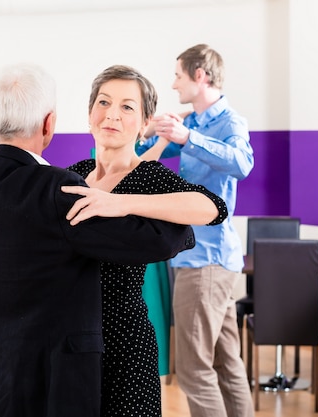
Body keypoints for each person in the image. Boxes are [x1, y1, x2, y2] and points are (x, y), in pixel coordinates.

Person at [0, 63, 194, 417]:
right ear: (49, 123)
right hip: (45, 374)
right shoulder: (58, 189)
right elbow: (153, 243)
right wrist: (178, 228)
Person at [61, 64, 228, 417]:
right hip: (69, 338)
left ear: (144, 121)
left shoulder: (147, 175)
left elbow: (213, 207)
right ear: (90, 113)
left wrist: (119, 202)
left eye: (127, 107)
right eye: (103, 102)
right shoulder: (73, 174)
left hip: (124, 339)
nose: (112, 115)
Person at [135, 44, 255, 417]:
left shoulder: (227, 123)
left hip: (206, 263)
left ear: (200, 76)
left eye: (178, 76)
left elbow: (242, 163)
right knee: (226, 364)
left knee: (193, 370)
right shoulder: (195, 123)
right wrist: (153, 129)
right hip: (206, 262)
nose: (173, 85)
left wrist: (188, 138)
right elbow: (143, 155)